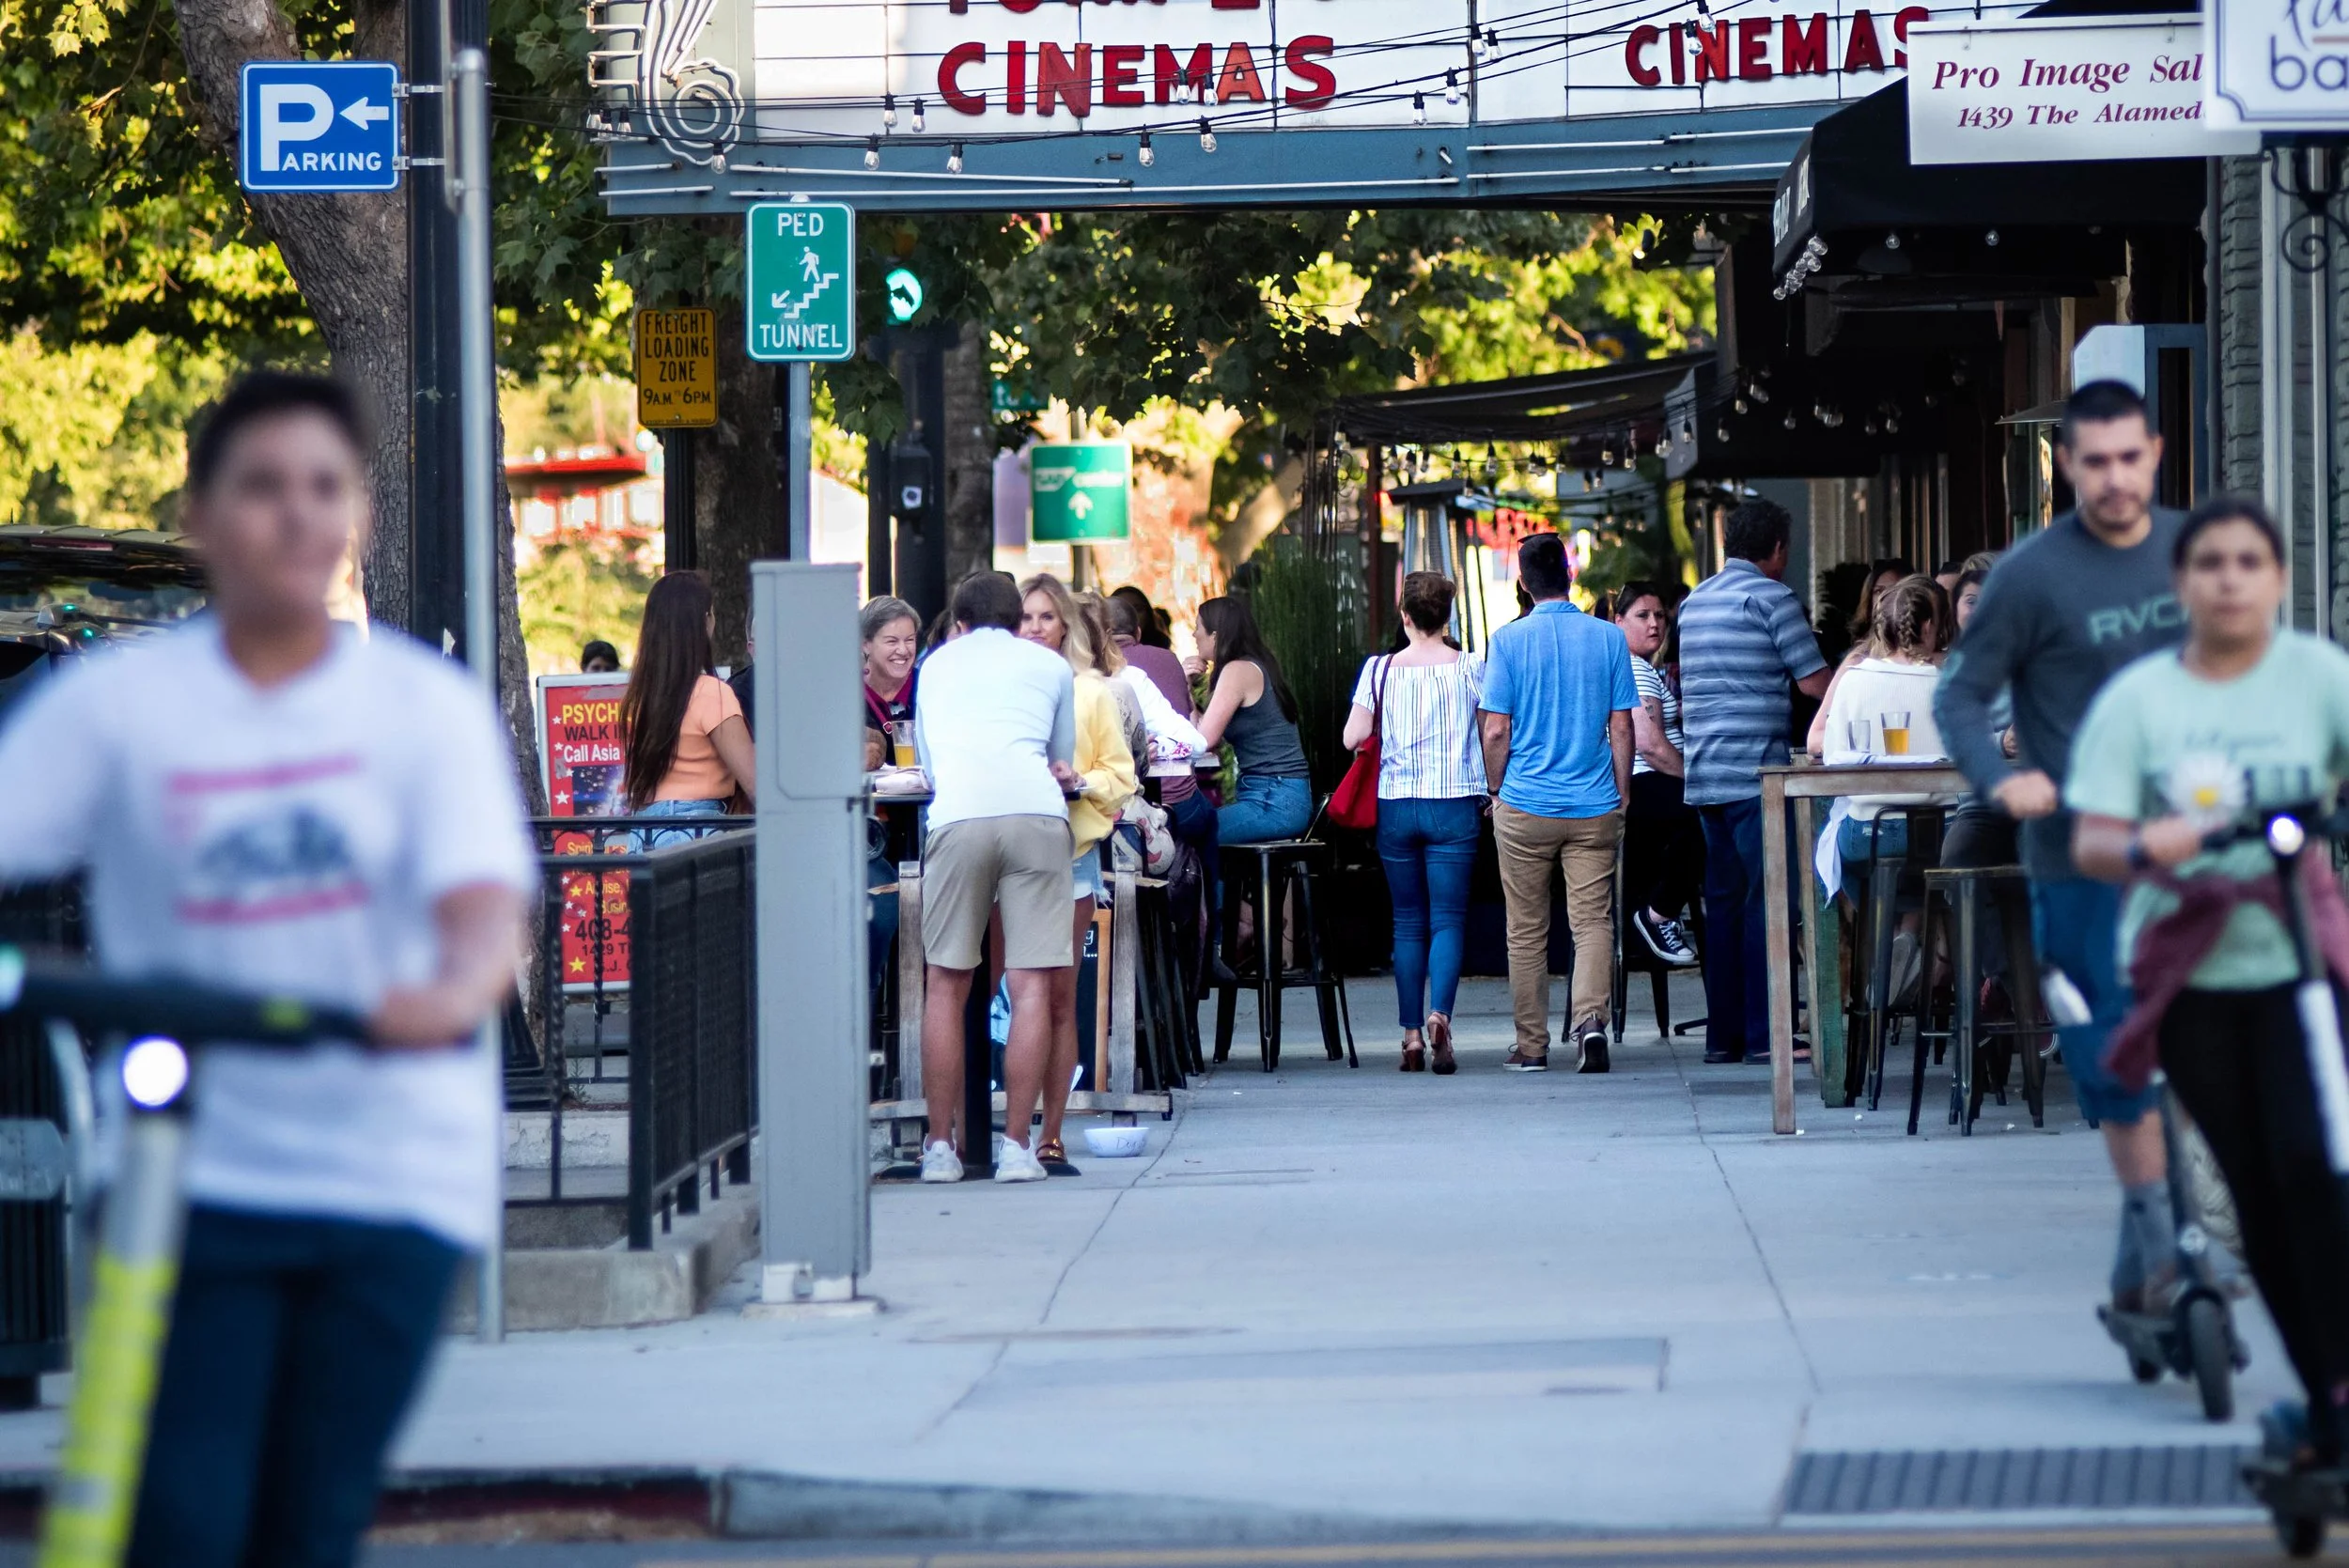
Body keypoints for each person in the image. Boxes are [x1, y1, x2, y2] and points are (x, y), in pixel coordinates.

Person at [0, 371, 532, 1567]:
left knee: (305, 1517)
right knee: (180, 1517)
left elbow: (487, 914)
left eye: (324, 489)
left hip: (390, 1172)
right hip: (196, 1170)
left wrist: (443, 998)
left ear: (359, 520)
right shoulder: (123, 703)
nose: (296, 516)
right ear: (200, 516)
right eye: (261, 488)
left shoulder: (420, 708)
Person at [2068, 496, 2349, 1462]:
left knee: (2318, 1168)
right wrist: (2154, 837)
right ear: (2181, 585)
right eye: (2210, 564)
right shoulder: (2142, 701)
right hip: (2187, 976)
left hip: (2301, 968)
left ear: (2276, 578)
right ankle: (2323, 1397)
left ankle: (2338, 1390)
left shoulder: (2319, 679)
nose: (2230, 578)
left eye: (2249, 562)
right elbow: (2095, 840)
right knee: (2260, 1193)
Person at [1933, 378, 2186, 1318]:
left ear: (2152, 454)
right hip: (2074, 849)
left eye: (2131, 457)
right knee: (2114, 1051)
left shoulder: (2193, 554)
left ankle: (2159, 1247)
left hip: (2187, 843)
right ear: (2068, 465)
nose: (2115, 478)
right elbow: (1958, 697)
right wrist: (2001, 778)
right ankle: (2152, 1236)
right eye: (2095, 461)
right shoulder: (2030, 575)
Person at [913, 573, 1081, 1186]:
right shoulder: (1049, 666)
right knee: (1031, 983)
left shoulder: (934, 665)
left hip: (958, 816)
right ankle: (1017, 1146)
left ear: (958, 622)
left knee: (945, 984)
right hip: (1037, 813)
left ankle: (939, 1146)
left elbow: (929, 763)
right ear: (1017, 622)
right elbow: (1060, 756)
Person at [1678, 499, 1832, 1065]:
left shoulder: (1694, 603)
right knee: (1769, 904)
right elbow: (1815, 683)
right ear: (1776, 549)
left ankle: (1724, 1038)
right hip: (1757, 777)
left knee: (1722, 907)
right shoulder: (1771, 598)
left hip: (1705, 778)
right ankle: (1768, 1034)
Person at [1479, 533, 1637, 1075]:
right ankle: (1591, 1022)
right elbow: (1621, 725)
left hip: (1524, 803)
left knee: (1526, 928)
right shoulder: (1609, 639)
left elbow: (1496, 729)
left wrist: (1496, 790)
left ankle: (1531, 1045)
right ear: (1570, 575)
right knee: (1592, 921)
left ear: (1523, 582)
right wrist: (1623, 792)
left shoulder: (1507, 641)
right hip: (1594, 803)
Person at [1342, 571, 1486, 1075]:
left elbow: (1351, 736)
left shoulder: (1379, 670)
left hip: (1397, 805)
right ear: (1448, 617)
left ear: (1405, 617)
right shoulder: (1471, 667)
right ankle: (1440, 1015)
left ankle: (1408, 1036)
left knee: (1406, 921)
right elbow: (1493, 731)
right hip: (1455, 804)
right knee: (1448, 918)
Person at [1019, 576, 1138, 1173]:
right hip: (1006, 850)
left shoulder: (1090, 692)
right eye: (1025, 617)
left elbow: (1122, 775)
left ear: (1064, 623)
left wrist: (1080, 781)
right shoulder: (999, 688)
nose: (1035, 627)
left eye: (1045, 616)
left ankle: (1052, 1132)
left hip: (1072, 850)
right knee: (1009, 994)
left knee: (1061, 998)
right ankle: (983, 1132)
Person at [1815, 575, 1960, 1005]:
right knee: (1939, 872)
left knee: (1848, 858)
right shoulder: (1948, 682)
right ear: (1931, 626)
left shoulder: (1855, 679)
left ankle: (1885, 941)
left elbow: (1829, 750)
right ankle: (1921, 947)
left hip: (1870, 834)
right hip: (1942, 835)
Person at [619, 570, 754, 848]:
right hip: (696, 833)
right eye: (712, 613)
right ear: (704, 621)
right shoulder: (711, 692)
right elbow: (756, 784)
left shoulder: (643, 695)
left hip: (644, 837)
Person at [1611, 582, 1702, 970]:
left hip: (1641, 790)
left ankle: (1655, 914)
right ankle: (1657, 915)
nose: (1654, 625)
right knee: (1715, 814)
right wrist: (1698, 780)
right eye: (1642, 616)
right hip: (1649, 784)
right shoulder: (1636, 669)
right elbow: (1650, 745)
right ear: (1618, 623)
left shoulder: (1634, 668)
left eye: (1660, 616)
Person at [1191, 595, 1312, 846]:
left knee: (1195, 833)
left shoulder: (1238, 670)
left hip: (1273, 799)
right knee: (1198, 829)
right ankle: (1236, 886)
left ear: (1215, 635)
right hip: (1276, 795)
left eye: (1198, 627)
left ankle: (1219, 887)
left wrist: (1181, 684)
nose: (1193, 635)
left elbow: (1203, 739)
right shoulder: (1252, 665)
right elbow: (1202, 732)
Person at [860, 595, 921, 751]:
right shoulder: (846, 694)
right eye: (892, 641)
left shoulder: (929, 684)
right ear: (865, 644)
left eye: (909, 640)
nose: (903, 650)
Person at [1111, 582, 1174, 649]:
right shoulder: (1102, 655)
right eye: (1121, 611)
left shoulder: (1163, 654)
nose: (1131, 615)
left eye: (1138, 609)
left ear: (1148, 614)